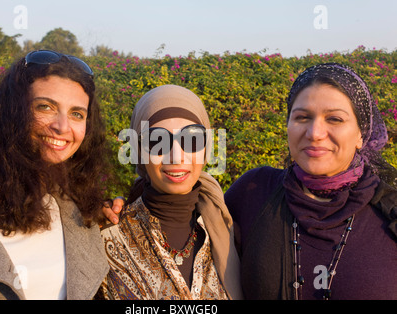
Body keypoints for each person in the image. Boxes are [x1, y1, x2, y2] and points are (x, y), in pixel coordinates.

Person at [224, 63, 397, 300]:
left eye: (335, 119)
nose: (315, 133)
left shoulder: (390, 211)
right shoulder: (253, 192)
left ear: (361, 133)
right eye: (302, 117)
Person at [0, 50, 110, 299]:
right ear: (12, 111)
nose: (62, 127)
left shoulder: (78, 211)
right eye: (45, 107)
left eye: (77, 114)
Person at [96, 84, 243, 300]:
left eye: (192, 139)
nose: (176, 156)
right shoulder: (105, 238)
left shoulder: (232, 234)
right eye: (157, 141)